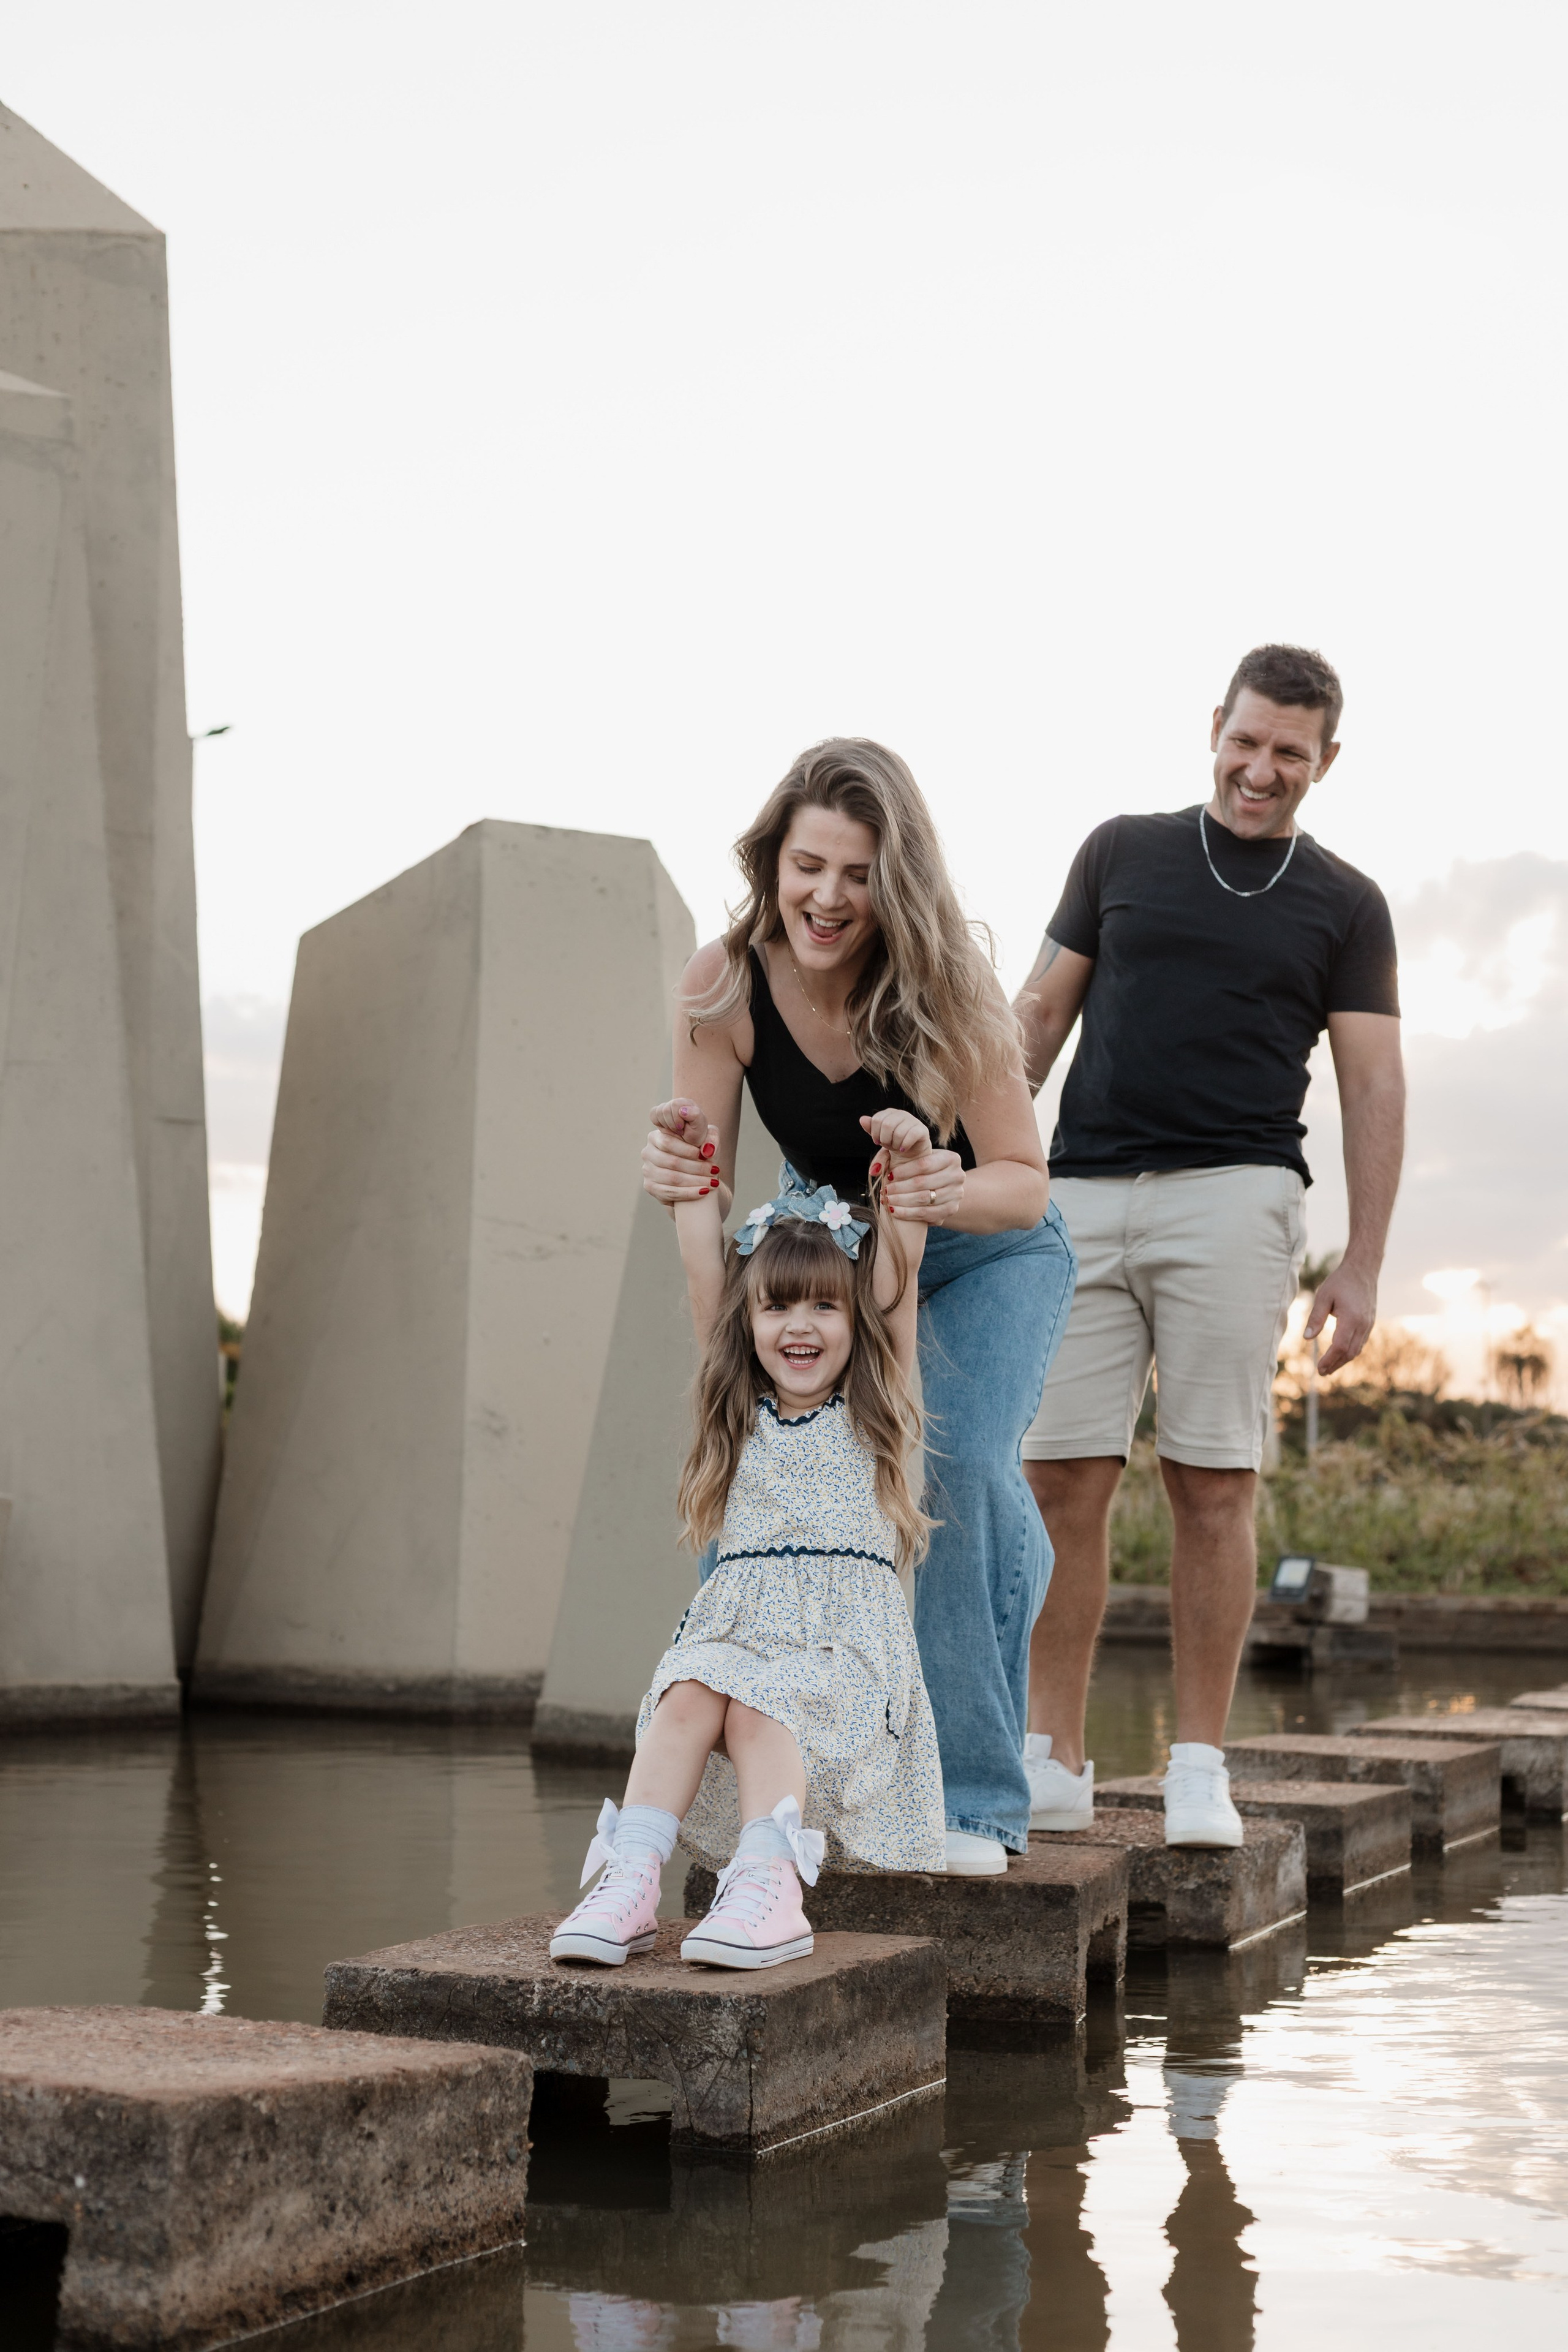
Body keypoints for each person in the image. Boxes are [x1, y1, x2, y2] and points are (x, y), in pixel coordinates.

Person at [641, 739, 1076, 1874]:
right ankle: (745, 1814)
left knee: (956, 1465)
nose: (828, 898)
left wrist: (942, 1184)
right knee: (765, 1468)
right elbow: (712, 1188)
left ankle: (977, 1802)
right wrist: (680, 1168)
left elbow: (1024, 1183)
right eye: (808, 867)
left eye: (859, 874)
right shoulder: (720, 984)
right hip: (832, 1263)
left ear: (899, 882)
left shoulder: (948, 988)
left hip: (984, 1250)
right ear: (770, 862)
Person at [1012, 645, 1403, 1847]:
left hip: (1234, 1200)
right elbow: (1034, 1017)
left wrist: (1361, 1262)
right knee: (1056, 1479)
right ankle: (1051, 1758)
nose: (1260, 769)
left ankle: (1194, 1765)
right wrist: (971, 1169)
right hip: (1077, 1194)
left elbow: (1372, 1081)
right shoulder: (1118, 852)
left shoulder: (1344, 903)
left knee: (1210, 1484)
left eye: (1288, 752)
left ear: (1322, 762)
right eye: (1245, 741)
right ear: (1213, 729)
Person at [549, 1118, 944, 1969]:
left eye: (824, 1305)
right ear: (751, 1321)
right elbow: (703, 1269)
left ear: (854, 1320)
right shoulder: (740, 1412)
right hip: (739, 1636)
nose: (799, 1327)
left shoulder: (875, 1408)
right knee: (688, 1691)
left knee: (768, 1703)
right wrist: (695, 1171)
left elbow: (899, 1278)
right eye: (777, 1305)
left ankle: (772, 1890)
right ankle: (631, 1882)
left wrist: (907, 1170)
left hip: (843, 1660)